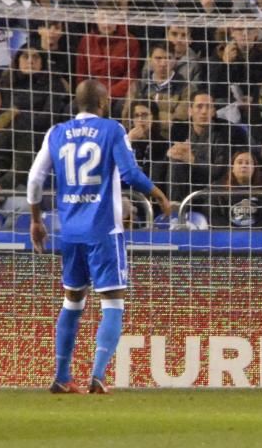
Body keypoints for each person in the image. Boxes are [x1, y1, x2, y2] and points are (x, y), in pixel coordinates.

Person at [26, 79, 172, 394]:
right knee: (112, 301)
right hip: (104, 229)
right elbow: (130, 174)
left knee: (72, 300)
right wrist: (159, 194)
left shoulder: (56, 133)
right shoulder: (112, 129)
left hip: (71, 232)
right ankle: (98, 374)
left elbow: (35, 178)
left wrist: (36, 220)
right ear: (103, 103)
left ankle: (62, 377)